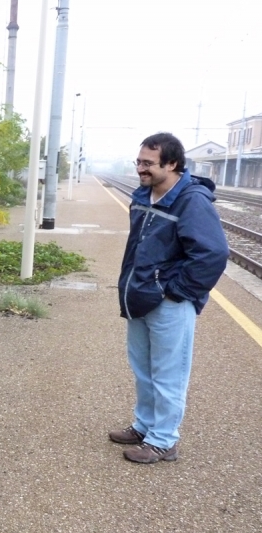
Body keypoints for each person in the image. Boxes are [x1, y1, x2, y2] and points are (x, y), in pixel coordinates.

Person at [110, 132, 228, 464]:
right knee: (143, 368)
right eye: (139, 162)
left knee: (168, 373)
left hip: (169, 302)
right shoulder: (143, 195)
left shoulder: (192, 201)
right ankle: (144, 426)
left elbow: (213, 255)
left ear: (172, 164)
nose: (140, 169)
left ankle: (163, 441)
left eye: (148, 163)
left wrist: (173, 290)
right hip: (138, 297)